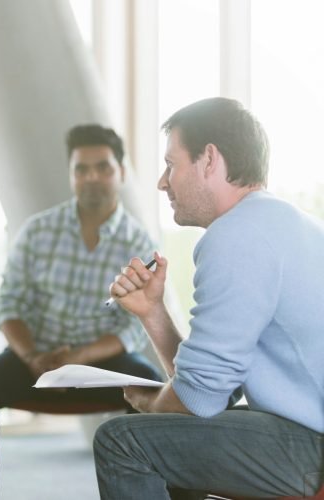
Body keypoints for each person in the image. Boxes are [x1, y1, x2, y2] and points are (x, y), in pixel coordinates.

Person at [94, 97, 324, 499]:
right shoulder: (280, 222)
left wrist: (150, 403)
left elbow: (197, 399)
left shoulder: (237, 236)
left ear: (210, 160)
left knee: (122, 440)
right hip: (306, 434)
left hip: (312, 449)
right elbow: (213, 391)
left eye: (171, 164)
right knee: (170, 439)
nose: (162, 182)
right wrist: (153, 312)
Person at [0, 124, 162, 411]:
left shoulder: (139, 243)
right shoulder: (37, 230)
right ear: (71, 175)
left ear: (121, 172)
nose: (91, 177)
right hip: (33, 359)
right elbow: (9, 305)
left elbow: (133, 327)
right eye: (81, 170)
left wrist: (78, 357)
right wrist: (34, 358)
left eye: (102, 168)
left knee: (150, 387)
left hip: (101, 364)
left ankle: (130, 456)